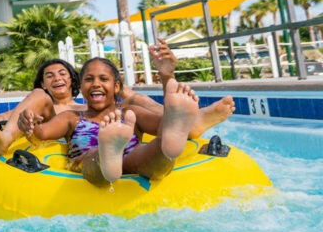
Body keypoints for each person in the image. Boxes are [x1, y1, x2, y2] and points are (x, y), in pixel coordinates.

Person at [0, 41, 235, 157]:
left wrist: (166, 77)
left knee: (133, 102)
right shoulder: (47, 104)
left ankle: (189, 121)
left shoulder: (92, 105)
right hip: (82, 142)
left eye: (62, 73)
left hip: (124, 126)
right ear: (43, 82)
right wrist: (17, 122)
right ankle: (3, 143)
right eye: (49, 75)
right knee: (129, 106)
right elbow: (19, 122)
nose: (56, 78)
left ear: (72, 80)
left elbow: (125, 101)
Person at [19, 57, 202, 186]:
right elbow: (41, 133)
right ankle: (107, 151)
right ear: (81, 88)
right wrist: (27, 123)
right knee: (92, 157)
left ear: (116, 87)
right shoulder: (72, 118)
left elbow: (161, 126)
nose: (96, 84)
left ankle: (167, 146)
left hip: (130, 159)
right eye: (89, 79)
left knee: (149, 151)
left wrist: (170, 121)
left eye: (103, 79)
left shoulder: (130, 113)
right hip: (90, 161)